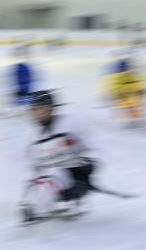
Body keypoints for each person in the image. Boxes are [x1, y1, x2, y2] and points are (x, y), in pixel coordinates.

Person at [20, 90, 100, 222]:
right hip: (52, 178)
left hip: (76, 176)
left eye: (43, 109)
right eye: (35, 110)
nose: (39, 113)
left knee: (54, 175)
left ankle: (56, 203)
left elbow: (94, 147)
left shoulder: (71, 123)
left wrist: (89, 165)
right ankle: (41, 206)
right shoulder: (33, 137)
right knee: (37, 184)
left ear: (52, 108)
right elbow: (33, 166)